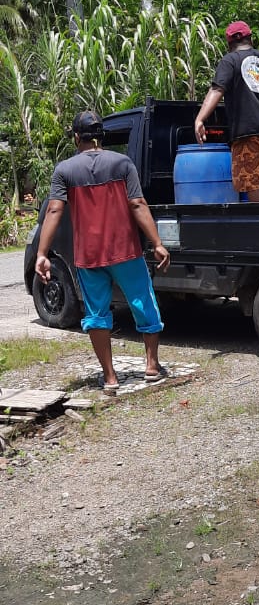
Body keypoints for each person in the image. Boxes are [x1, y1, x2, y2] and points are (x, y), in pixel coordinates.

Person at [35, 110, 170, 396]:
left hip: (89, 255)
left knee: (97, 313)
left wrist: (42, 253)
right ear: (101, 136)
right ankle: (151, 366)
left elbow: (55, 209)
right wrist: (157, 242)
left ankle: (110, 378)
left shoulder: (65, 170)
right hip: (126, 250)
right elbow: (137, 204)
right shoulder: (122, 163)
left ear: (76, 137)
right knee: (143, 301)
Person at [194, 21, 259, 203]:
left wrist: (200, 119)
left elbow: (217, 90)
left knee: (252, 183)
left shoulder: (230, 61)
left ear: (229, 43)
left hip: (247, 131)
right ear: (251, 39)